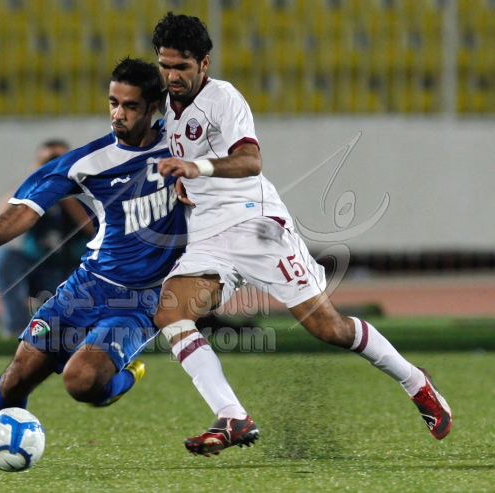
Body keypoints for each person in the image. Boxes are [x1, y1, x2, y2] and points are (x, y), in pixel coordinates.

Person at [151, 12, 452, 457]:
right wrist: (184, 180)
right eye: (165, 65)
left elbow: (250, 161)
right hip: (209, 236)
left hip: (256, 226)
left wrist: (196, 168)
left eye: (182, 66)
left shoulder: (223, 99)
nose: (173, 75)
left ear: (204, 64)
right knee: (170, 312)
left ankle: (415, 381)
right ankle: (232, 416)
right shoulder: (167, 106)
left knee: (329, 328)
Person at [0, 57, 187, 470]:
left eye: (129, 106)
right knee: (18, 374)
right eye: (113, 103)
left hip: (144, 298)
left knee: (82, 381)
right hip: (89, 285)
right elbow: (28, 207)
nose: (118, 114)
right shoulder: (90, 161)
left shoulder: (183, 148)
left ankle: (123, 376)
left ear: (153, 108)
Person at [0, 139, 95, 338]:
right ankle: (16, 326)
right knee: (3, 256)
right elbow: (1, 216)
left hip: (73, 272)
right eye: (48, 161)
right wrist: (34, 179)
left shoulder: (85, 188)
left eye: (59, 161)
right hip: (37, 268)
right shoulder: (33, 190)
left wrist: (66, 190)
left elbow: (94, 227)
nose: (54, 166)